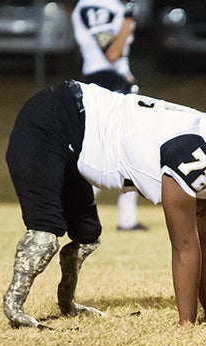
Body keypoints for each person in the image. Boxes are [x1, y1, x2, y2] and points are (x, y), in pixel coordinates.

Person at [3, 80, 206, 328]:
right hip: (53, 120)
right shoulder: (196, 152)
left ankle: (67, 303)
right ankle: (15, 307)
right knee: (45, 232)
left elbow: (201, 238)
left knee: (87, 235)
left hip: (77, 122)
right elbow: (185, 245)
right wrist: (187, 324)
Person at [72, 0, 143, 231]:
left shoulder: (109, 4)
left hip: (117, 84)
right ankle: (74, 210)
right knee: (104, 156)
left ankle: (127, 220)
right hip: (105, 86)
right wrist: (128, 18)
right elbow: (112, 52)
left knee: (130, 154)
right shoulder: (93, 6)